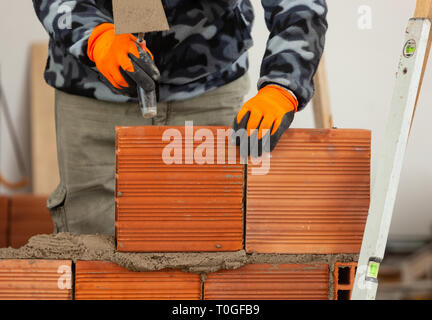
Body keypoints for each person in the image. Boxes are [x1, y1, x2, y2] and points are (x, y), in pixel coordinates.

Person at [32, 0, 328, 235]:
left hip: (210, 85)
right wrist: (95, 39)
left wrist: (282, 87)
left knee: (215, 240)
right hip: (96, 89)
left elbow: (297, 4)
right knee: (91, 242)